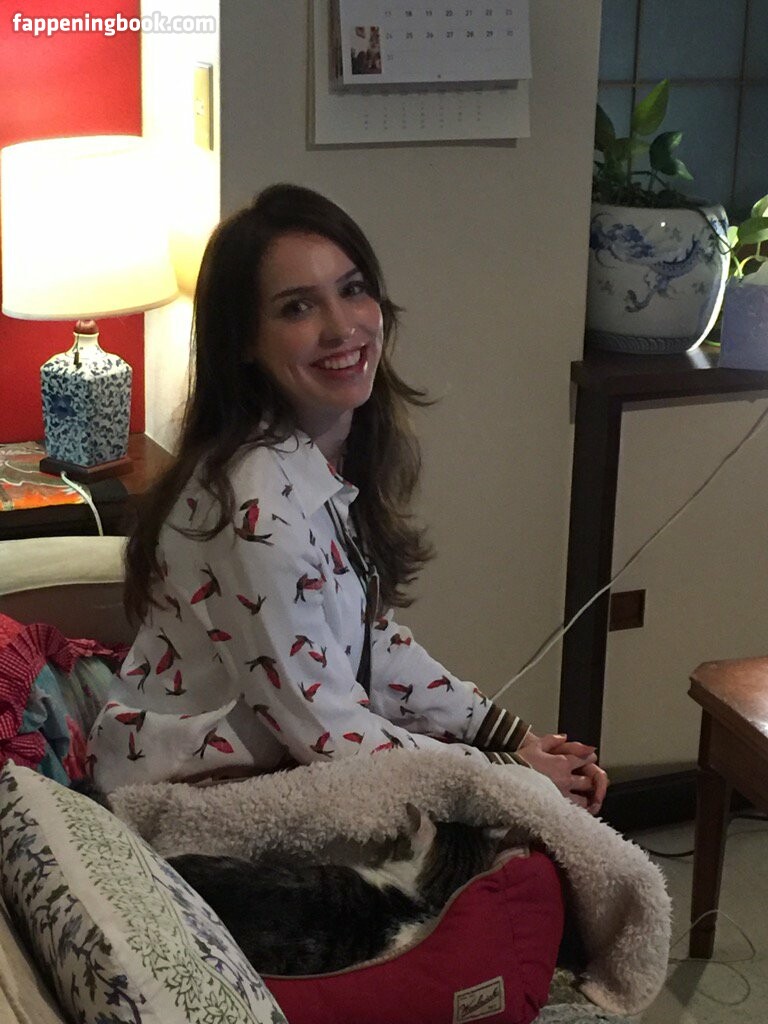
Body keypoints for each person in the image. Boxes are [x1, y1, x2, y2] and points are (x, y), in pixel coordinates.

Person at [87, 183, 608, 814]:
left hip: (279, 765)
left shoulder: (310, 462)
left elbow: (368, 643)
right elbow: (328, 735)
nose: (341, 327)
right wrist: (514, 776)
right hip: (190, 796)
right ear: (244, 340)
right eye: (298, 308)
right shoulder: (254, 510)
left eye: (353, 289)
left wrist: (509, 738)